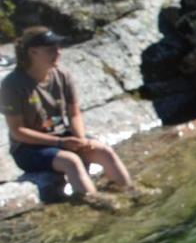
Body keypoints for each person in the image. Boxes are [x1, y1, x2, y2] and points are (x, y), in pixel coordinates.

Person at [2, 26, 140, 208]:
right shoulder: (13, 85)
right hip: (29, 149)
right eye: (51, 49)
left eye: (58, 47)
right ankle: (97, 203)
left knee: (104, 151)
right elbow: (18, 131)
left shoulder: (62, 75)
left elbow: (74, 113)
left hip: (62, 136)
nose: (58, 53)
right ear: (33, 52)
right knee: (71, 161)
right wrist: (60, 144)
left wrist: (80, 139)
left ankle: (131, 192)